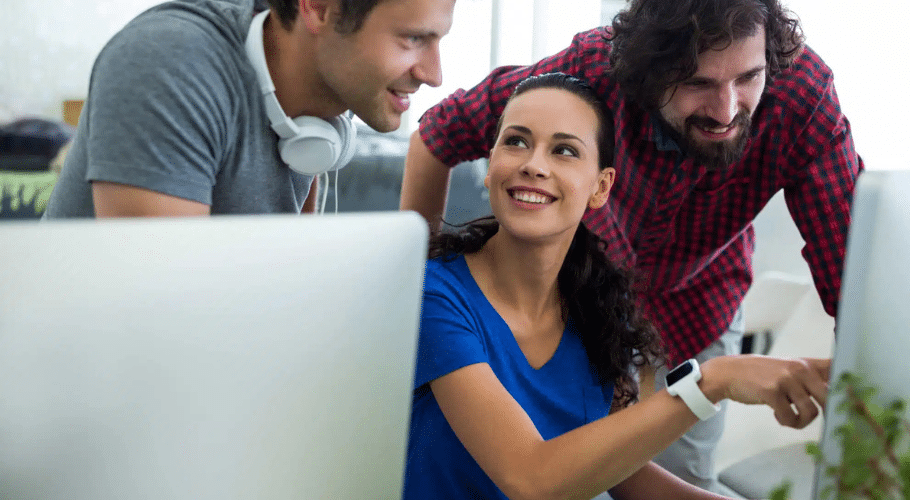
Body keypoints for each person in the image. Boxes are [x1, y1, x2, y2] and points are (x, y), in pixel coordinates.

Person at [400, 0, 862, 490]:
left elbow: (854, 280)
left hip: (675, 307)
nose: (726, 110)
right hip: (573, 302)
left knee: (652, 469)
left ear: (603, 184)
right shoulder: (584, 78)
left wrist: (883, 417)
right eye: (698, 83)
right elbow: (438, 134)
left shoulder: (802, 98)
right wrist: (413, 294)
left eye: (748, 77)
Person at [43, 0, 455, 218]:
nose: (434, 75)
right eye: (413, 39)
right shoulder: (168, 65)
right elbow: (159, 315)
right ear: (320, 8)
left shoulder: (322, 110)